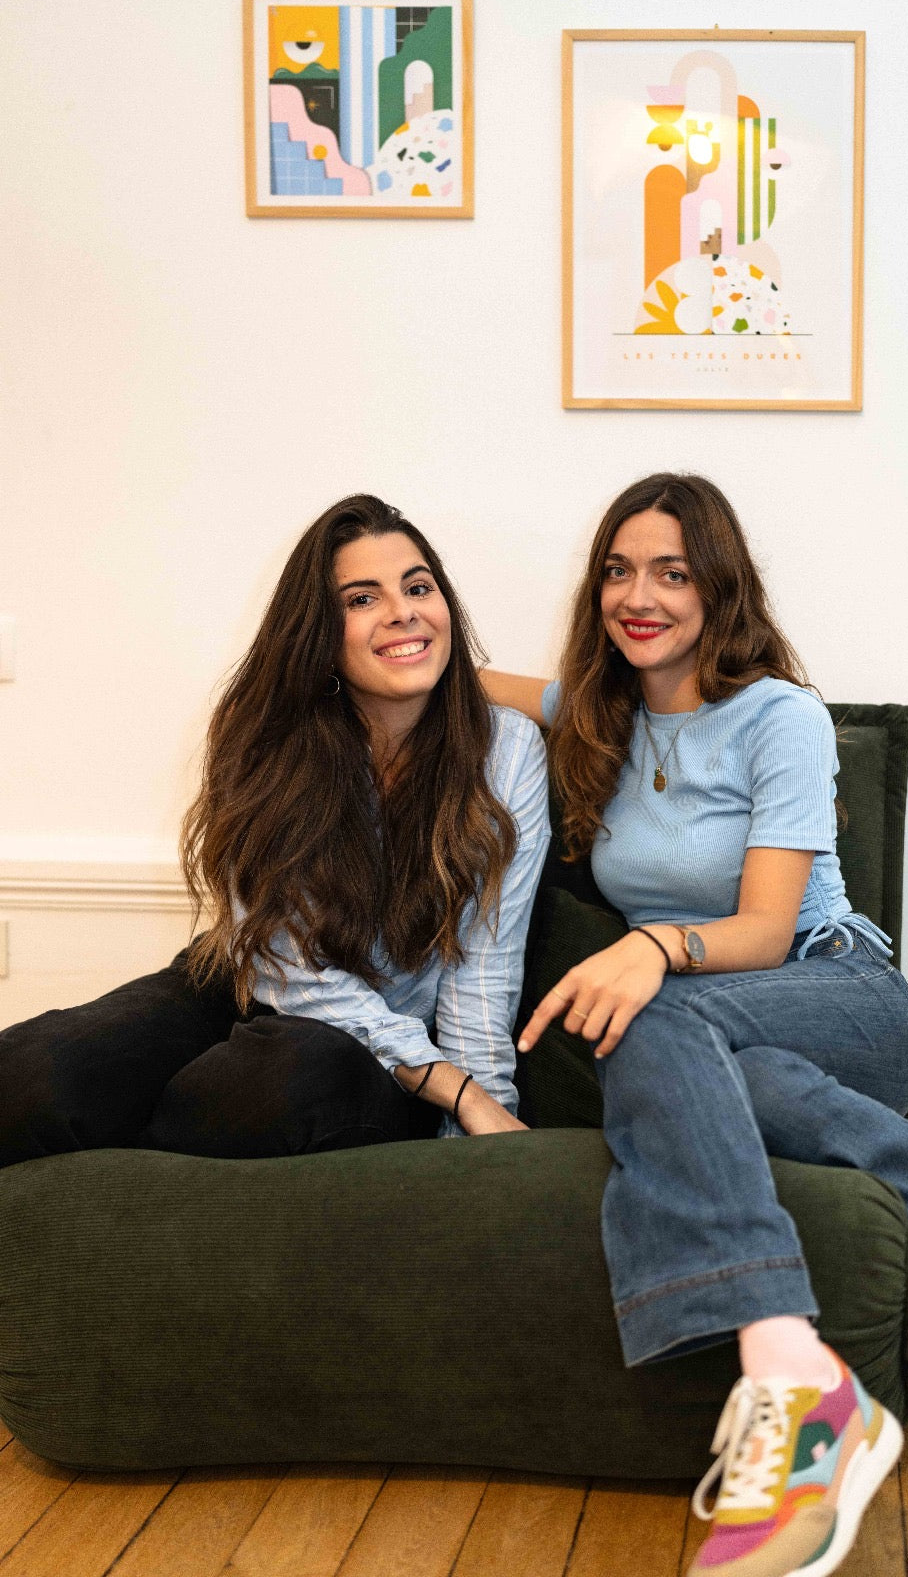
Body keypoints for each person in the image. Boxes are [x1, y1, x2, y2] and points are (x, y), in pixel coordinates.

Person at [483, 472, 908, 1577]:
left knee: (644, 1022)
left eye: (671, 570)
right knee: (685, 1048)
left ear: (719, 584)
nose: (638, 594)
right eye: (617, 570)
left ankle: (796, 1385)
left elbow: (759, 926)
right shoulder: (595, 711)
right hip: (716, 1034)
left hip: (836, 992)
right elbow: (453, 677)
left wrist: (651, 944)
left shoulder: (779, 716)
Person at [0, 494, 549, 1163]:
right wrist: (461, 1092)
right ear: (318, 633)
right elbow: (291, 973)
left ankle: (141, 1173)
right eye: (361, 599)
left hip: (378, 1055)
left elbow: (484, 961)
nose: (402, 610)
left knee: (279, 1075)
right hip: (241, 983)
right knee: (34, 1071)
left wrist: (473, 1108)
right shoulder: (271, 740)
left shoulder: (508, 751)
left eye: (417, 586)